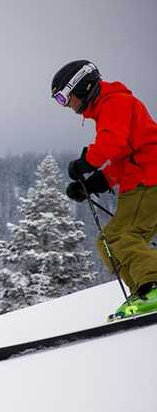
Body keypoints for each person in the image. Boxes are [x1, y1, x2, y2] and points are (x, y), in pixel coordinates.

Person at [54, 59, 157, 320]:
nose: (67, 106)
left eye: (65, 98)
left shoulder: (115, 102)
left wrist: (85, 163)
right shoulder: (108, 108)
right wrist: (95, 183)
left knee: (122, 235)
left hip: (150, 177)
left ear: (82, 87)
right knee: (107, 242)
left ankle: (153, 286)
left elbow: (112, 142)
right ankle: (143, 292)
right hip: (139, 178)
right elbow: (123, 158)